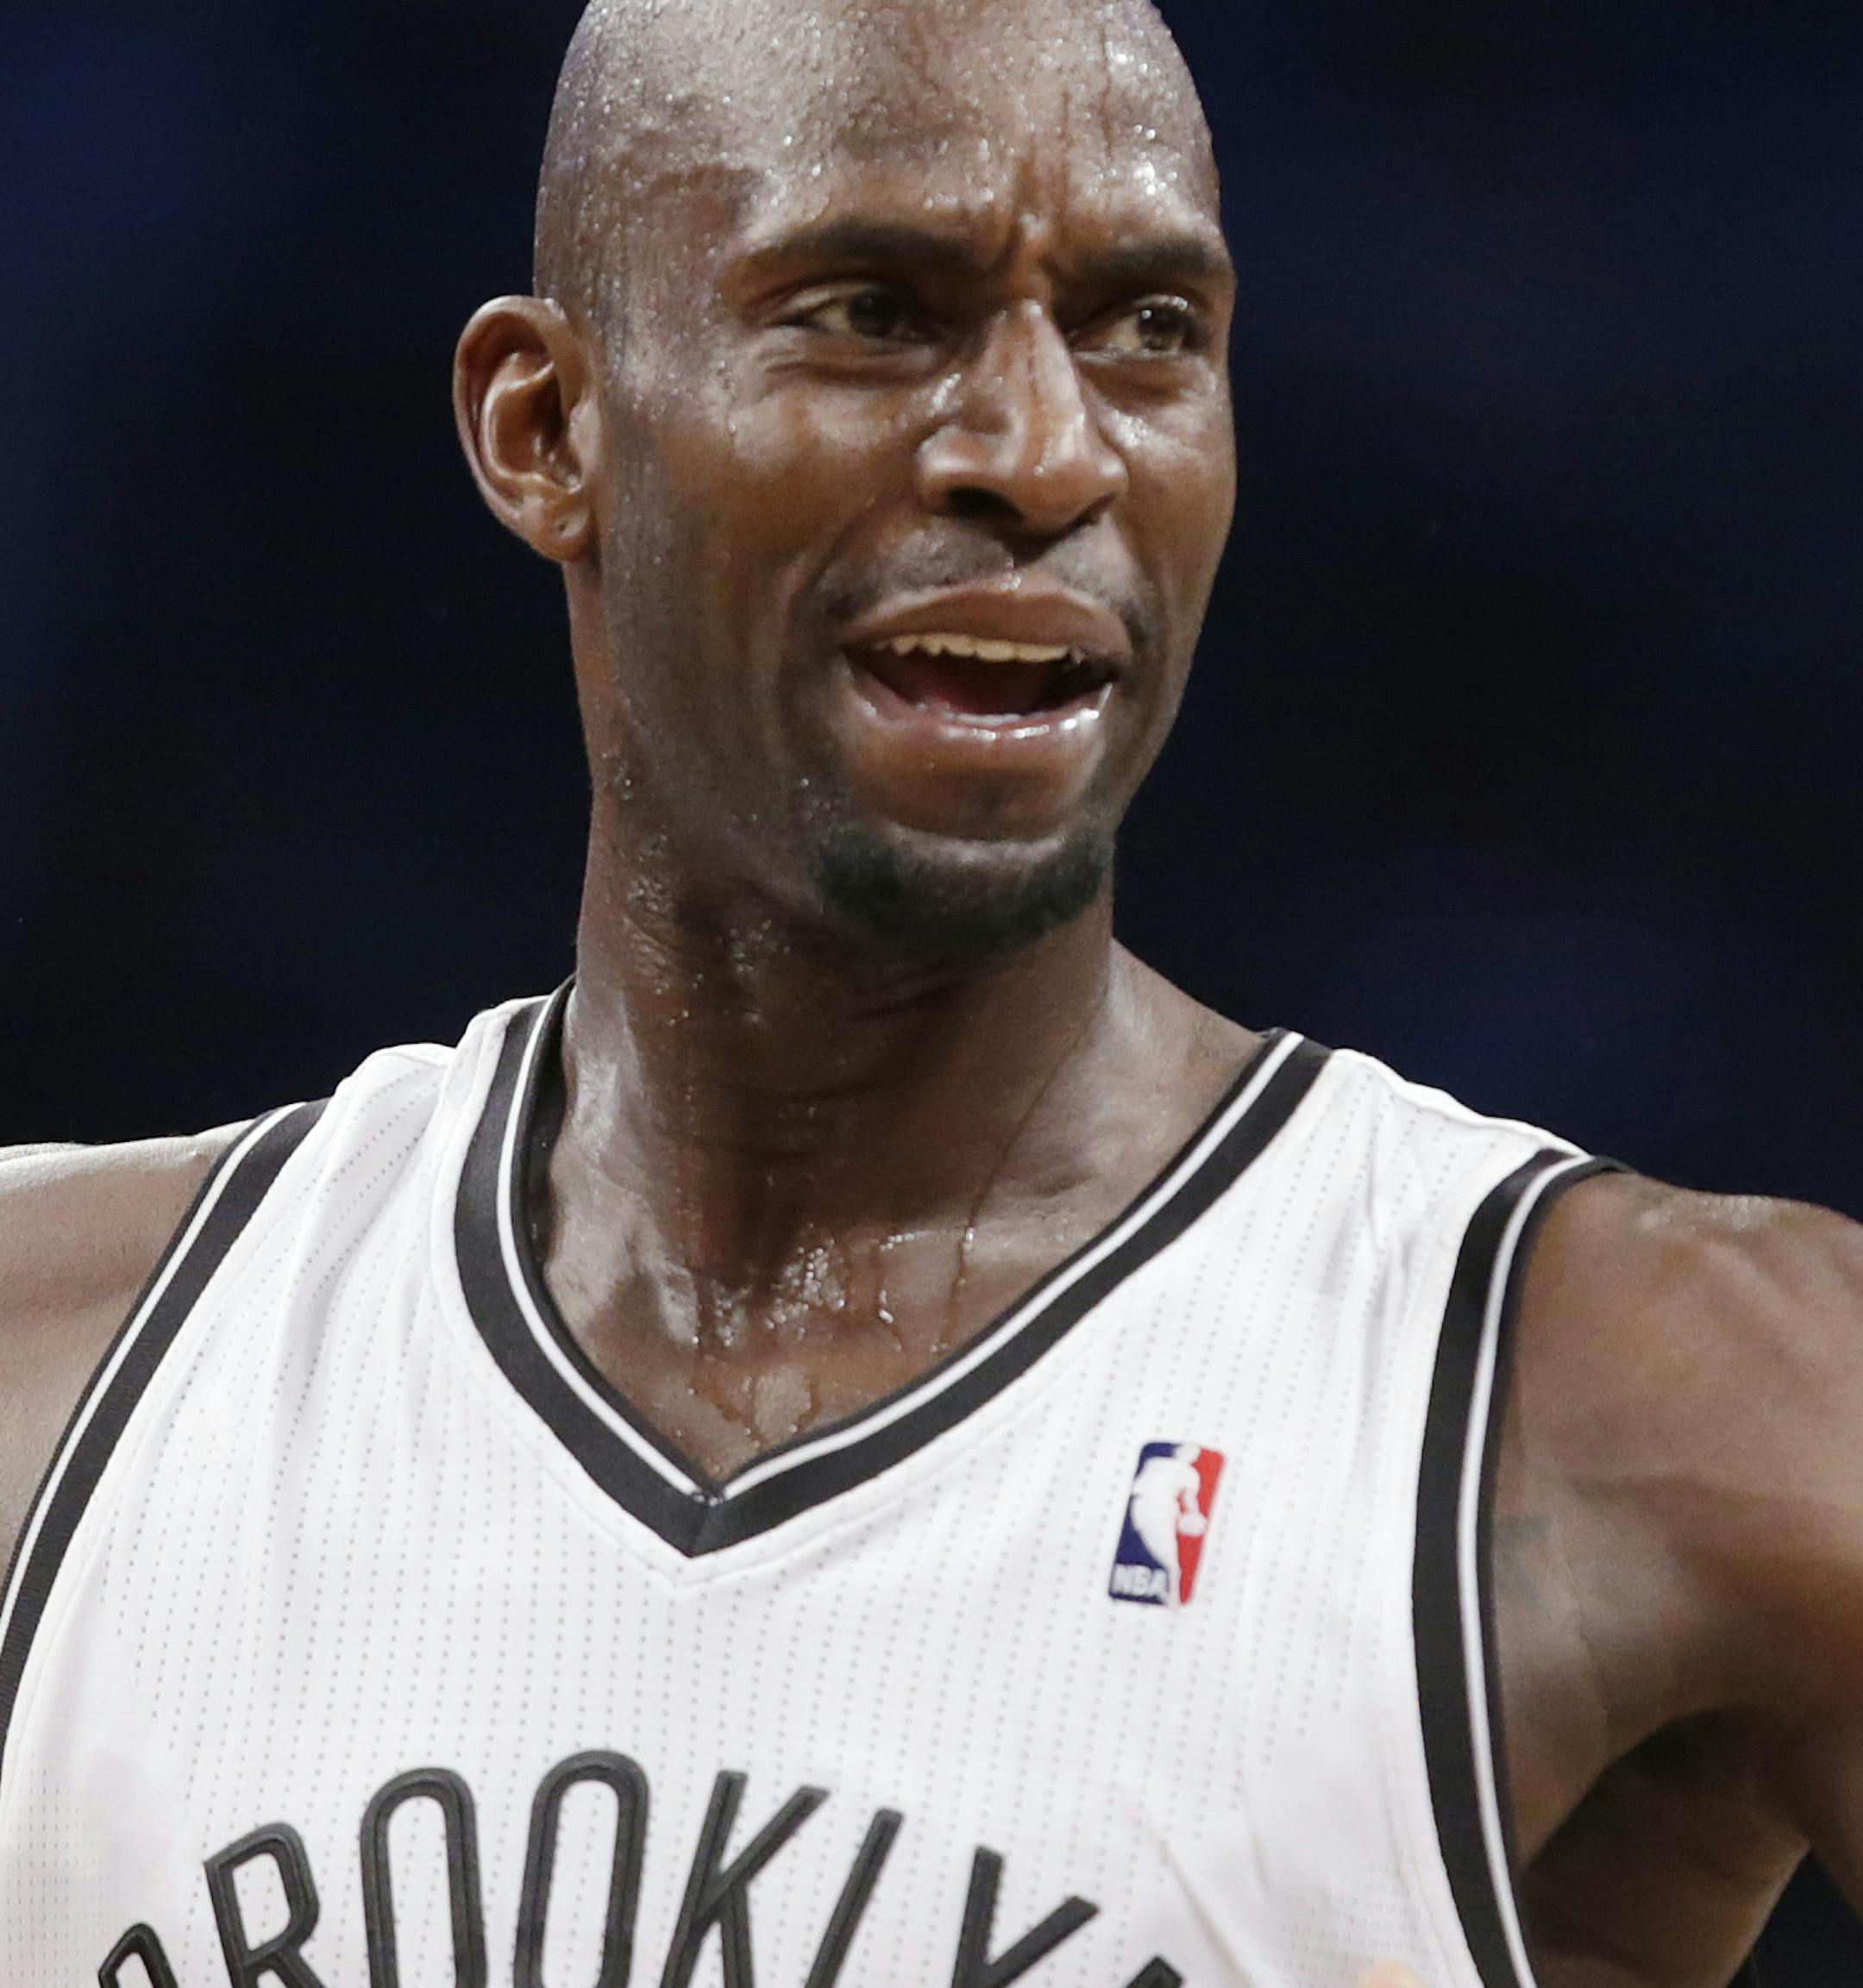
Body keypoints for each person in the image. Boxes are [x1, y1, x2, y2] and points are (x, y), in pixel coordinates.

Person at [1, 0, 1859, 1981]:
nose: (1046, 451)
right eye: (878, 311)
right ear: (547, 430)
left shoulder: (1669, 1402)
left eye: (1152, 327)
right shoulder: (59, 1368)